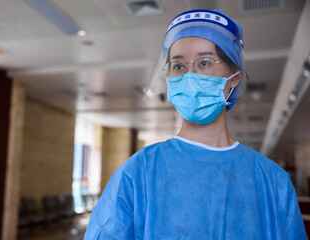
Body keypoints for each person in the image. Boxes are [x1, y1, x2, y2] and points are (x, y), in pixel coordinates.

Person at [84, 9, 307, 239]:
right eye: (178, 66)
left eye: (204, 62)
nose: (189, 76)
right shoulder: (137, 174)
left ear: (234, 78)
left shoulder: (272, 182)